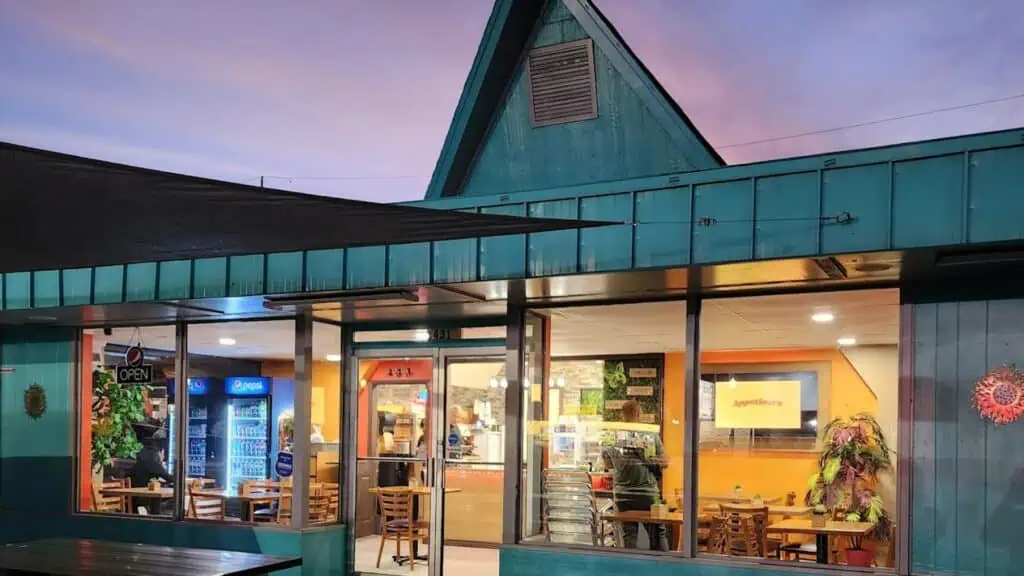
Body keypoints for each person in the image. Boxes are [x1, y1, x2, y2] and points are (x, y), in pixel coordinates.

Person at [601, 400, 668, 551]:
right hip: (647, 493)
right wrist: (648, 458)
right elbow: (664, 462)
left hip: (623, 494)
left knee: (629, 534)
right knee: (657, 533)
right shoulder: (649, 434)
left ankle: (631, 569)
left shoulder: (612, 437)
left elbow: (608, 465)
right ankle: (662, 568)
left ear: (622, 415)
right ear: (639, 414)